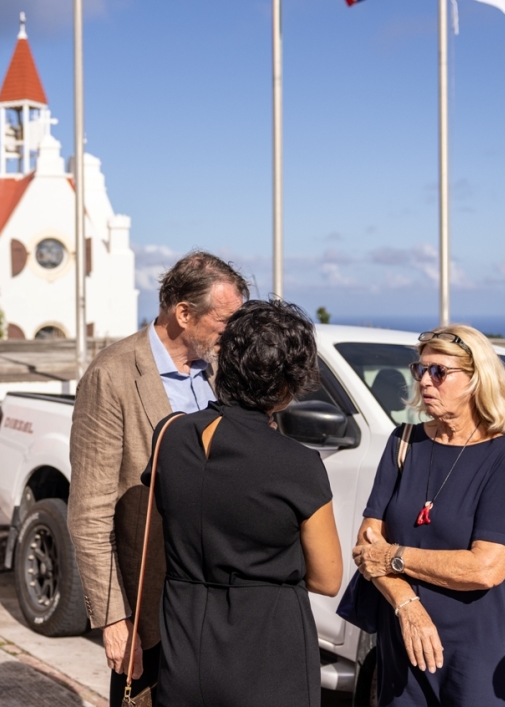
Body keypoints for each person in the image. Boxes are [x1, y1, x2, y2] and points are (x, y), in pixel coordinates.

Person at [68, 251, 248, 707]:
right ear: (184, 314)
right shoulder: (113, 374)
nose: (233, 334)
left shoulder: (222, 370)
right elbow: (90, 512)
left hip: (216, 604)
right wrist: (113, 619)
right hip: (152, 605)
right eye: (226, 321)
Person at [144, 299, 343, 707]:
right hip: (266, 655)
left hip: (184, 648)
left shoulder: (171, 435)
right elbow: (327, 578)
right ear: (289, 382)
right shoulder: (297, 463)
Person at [352, 325, 505, 707]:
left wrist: (393, 557)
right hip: (405, 636)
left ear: (477, 379)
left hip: (478, 650)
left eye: (439, 371)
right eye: (420, 370)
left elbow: (485, 568)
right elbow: (366, 546)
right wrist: (408, 606)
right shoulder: (404, 442)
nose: (425, 382)